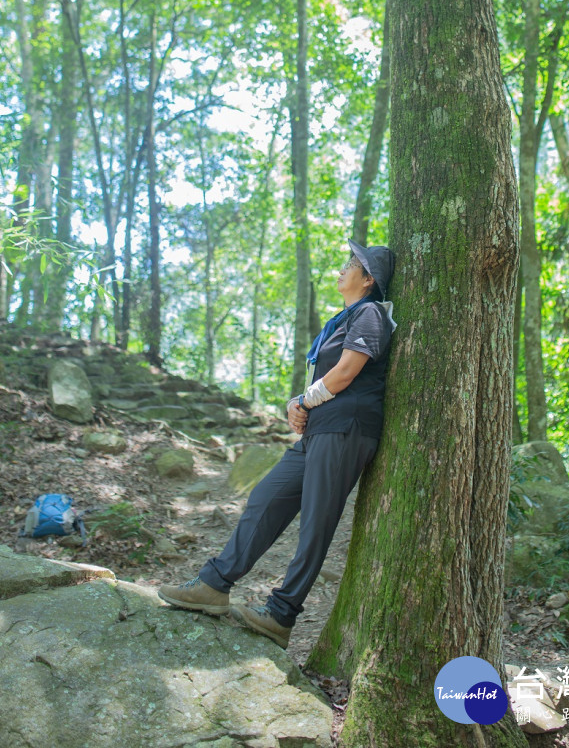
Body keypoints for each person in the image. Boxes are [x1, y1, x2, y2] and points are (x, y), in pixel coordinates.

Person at [158, 238, 396, 648]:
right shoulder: (345, 317)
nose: (341, 269)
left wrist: (303, 400)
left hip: (347, 429)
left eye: (350, 264)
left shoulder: (371, 314)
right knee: (266, 497)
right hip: (320, 430)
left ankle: (282, 614)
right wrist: (299, 404)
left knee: (316, 523)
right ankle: (214, 584)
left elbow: (345, 373)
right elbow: (329, 378)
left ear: (368, 279)